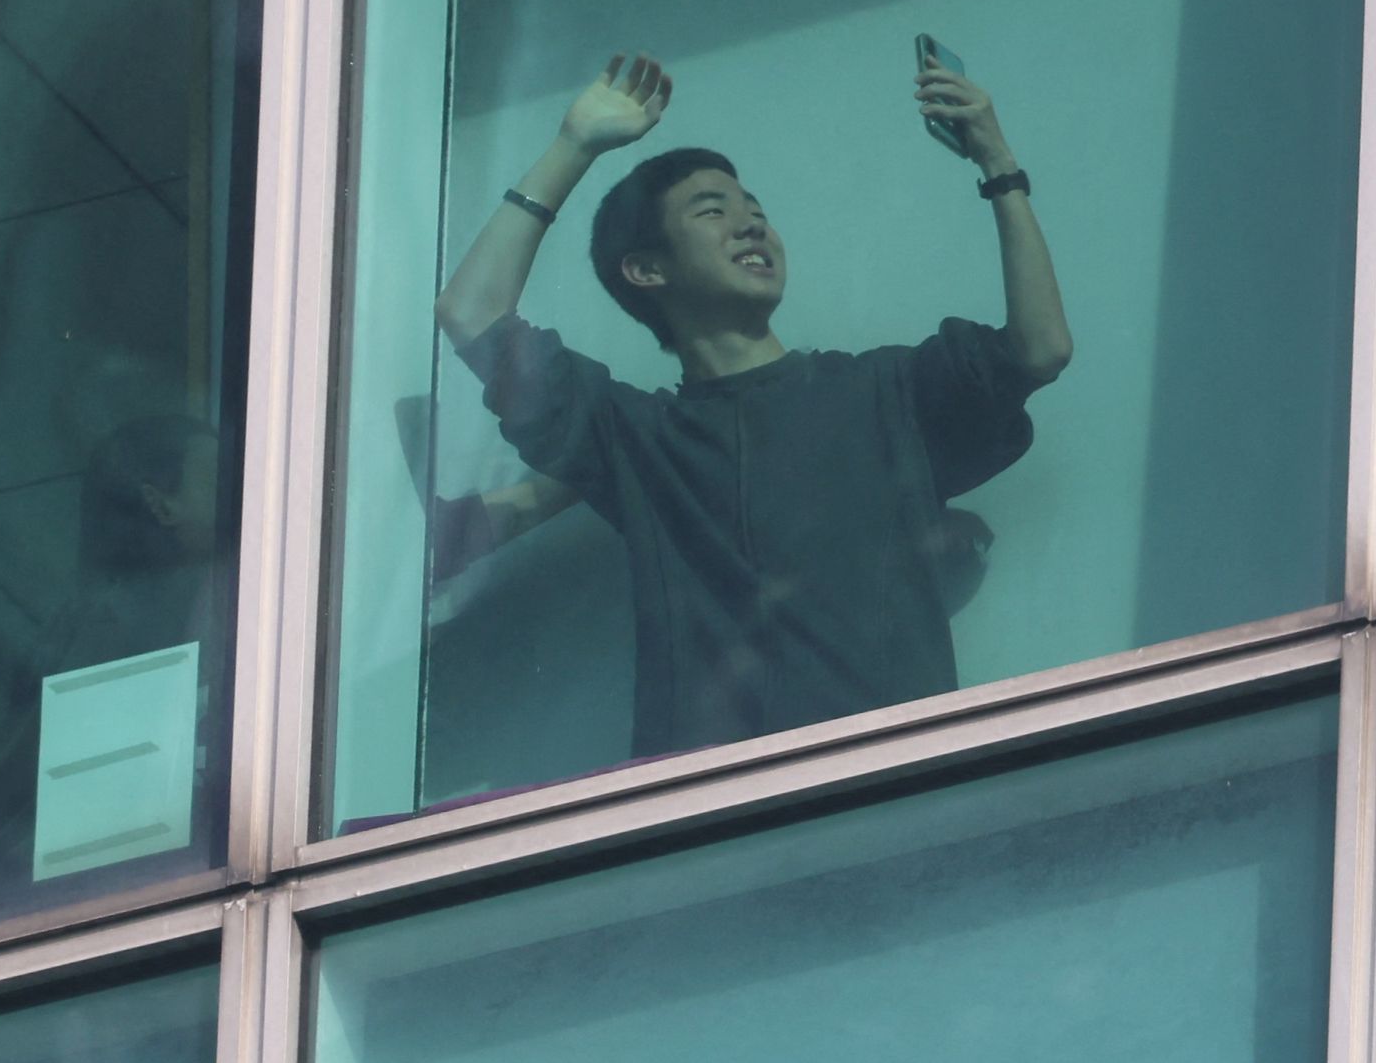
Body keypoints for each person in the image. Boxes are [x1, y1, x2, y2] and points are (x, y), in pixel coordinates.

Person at [432, 49, 1073, 757]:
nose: (751, 226)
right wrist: (573, 145)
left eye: (758, 214)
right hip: (714, 819)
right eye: (713, 212)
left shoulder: (881, 393)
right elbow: (471, 312)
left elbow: (1039, 348)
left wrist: (998, 165)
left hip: (900, 794)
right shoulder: (640, 441)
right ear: (646, 269)